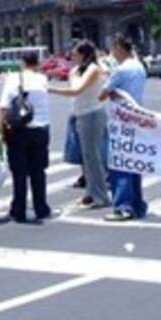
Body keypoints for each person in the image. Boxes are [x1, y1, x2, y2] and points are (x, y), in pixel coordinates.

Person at [49, 40, 109, 209]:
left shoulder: (93, 69)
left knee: (93, 157)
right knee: (86, 158)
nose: (72, 56)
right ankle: (90, 193)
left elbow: (76, 90)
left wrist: (50, 88)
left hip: (92, 114)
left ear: (84, 54)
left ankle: (101, 196)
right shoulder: (76, 70)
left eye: (75, 53)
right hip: (81, 114)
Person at [0, 51, 52, 223]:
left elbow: (4, 106)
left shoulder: (14, 78)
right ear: (37, 63)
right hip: (41, 128)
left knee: (19, 172)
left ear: (22, 62)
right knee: (38, 171)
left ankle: (19, 209)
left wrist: (1, 130)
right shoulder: (42, 79)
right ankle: (41, 207)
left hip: (19, 130)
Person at [99, 35, 148, 222]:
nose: (113, 54)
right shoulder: (139, 67)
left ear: (120, 48)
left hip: (121, 121)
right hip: (137, 118)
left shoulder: (120, 70)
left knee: (120, 164)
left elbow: (102, 95)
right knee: (134, 163)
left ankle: (123, 206)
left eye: (114, 50)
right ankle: (137, 204)